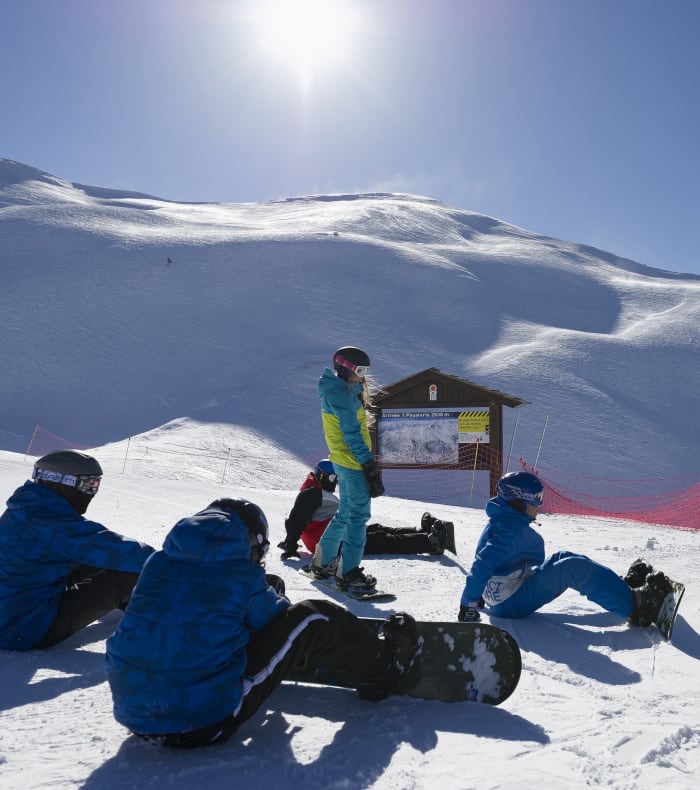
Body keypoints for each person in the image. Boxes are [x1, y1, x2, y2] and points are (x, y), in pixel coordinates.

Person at [104, 498, 419, 748]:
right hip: (203, 721)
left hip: (133, 714)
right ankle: (385, 669)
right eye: (262, 549)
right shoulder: (239, 574)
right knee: (314, 616)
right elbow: (278, 620)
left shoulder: (157, 564)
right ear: (251, 541)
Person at [457, 470, 673, 628]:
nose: (540, 505)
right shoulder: (508, 531)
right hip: (510, 603)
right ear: (518, 501)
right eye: (537, 499)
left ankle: (621, 590)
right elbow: (483, 563)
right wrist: (469, 604)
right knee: (571, 568)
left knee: (564, 557)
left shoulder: (505, 521)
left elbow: (487, 558)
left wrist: (483, 594)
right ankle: (637, 609)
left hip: (509, 591)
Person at [0, 450, 155, 651]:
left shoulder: (26, 508)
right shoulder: (56, 524)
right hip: (24, 629)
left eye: (96, 484)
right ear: (59, 485)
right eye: (87, 485)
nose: (92, 492)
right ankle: (169, 614)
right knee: (127, 575)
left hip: (11, 611)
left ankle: (132, 602)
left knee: (92, 561)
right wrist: (173, 561)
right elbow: (120, 551)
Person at [310, 346, 385, 595]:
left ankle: (322, 563)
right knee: (357, 517)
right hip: (352, 462)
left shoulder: (342, 390)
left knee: (346, 513)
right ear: (345, 367)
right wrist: (368, 464)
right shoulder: (340, 395)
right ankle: (348, 573)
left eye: (366, 371)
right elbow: (351, 434)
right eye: (360, 370)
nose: (363, 376)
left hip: (346, 460)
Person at [278, 460, 449, 558]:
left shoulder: (316, 491)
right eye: (332, 478)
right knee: (381, 539)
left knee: (376, 529)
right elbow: (296, 519)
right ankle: (429, 543)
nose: (335, 482)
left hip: (337, 534)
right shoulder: (311, 493)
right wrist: (290, 544)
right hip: (330, 544)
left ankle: (421, 532)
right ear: (322, 476)